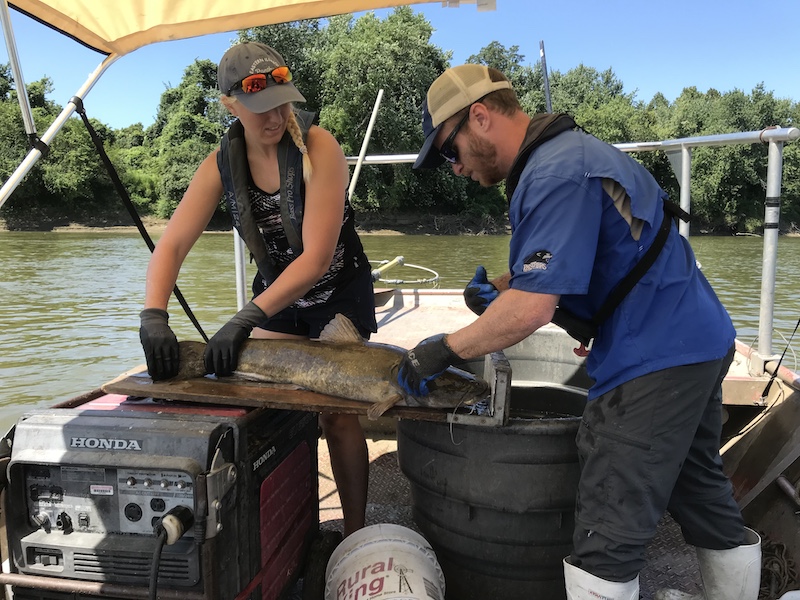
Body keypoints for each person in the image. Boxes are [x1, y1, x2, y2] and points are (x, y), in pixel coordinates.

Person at [400, 64, 761, 600]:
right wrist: (503, 285)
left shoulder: (551, 173)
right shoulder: (569, 153)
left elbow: (533, 310)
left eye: (449, 152)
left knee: (606, 530)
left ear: (479, 117)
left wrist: (441, 349)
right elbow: (574, 262)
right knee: (699, 488)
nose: (453, 169)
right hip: (699, 339)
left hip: (654, 354)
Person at [138, 42, 376, 537]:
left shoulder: (319, 147)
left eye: (282, 101)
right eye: (261, 107)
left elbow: (313, 260)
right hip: (278, 295)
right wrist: (153, 315)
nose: (276, 116)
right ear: (229, 103)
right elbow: (173, 244)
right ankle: (296, 523)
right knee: (275, 405)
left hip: (337, 289)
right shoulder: (219, 165)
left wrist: (244, 318)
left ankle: (355, 531)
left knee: (335, 413)